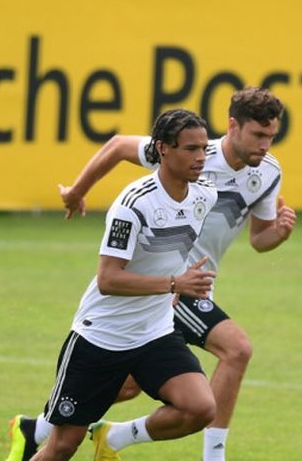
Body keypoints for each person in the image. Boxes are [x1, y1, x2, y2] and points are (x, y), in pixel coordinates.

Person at [6, 87, 296, 461]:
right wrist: (78, 191)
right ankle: (211, 456)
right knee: (236, 349)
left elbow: (260, 238)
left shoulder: (231, 184)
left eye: (272, 136)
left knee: (143, 392)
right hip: (147, 302)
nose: (266, 145)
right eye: (258, 135)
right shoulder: (164, 177)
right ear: (232, 127)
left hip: (171, 304)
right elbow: (117, 147)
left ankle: (45, 429)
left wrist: (280, 233)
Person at [20, 108, 219, 461]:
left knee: (200, 408)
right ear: (162, 149)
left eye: (204, 148)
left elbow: (172, 253)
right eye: (190, 149)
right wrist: (174, 284)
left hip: (154, 333)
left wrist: (172, 287)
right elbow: (108, 279)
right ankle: (37, 434)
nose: (201, 157)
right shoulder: (133, 204)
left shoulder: (205, 196)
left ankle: (113, 438)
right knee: (63, 446)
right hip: (102, 337)